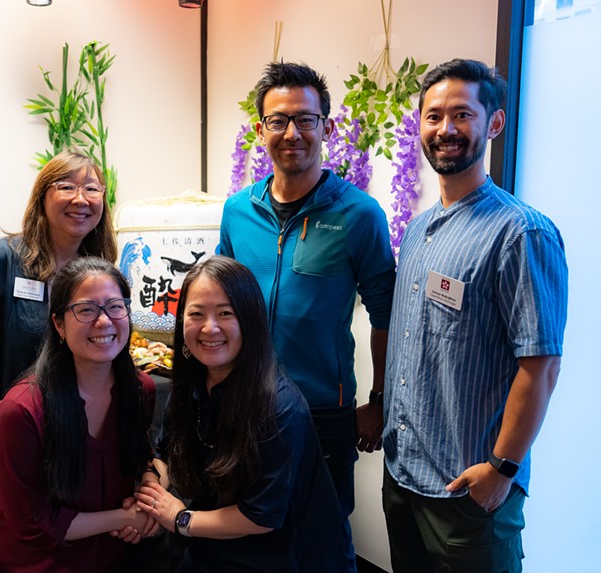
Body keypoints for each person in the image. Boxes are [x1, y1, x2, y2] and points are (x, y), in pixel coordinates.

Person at [381, 59, 568, 573]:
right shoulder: (417, 230)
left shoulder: (521, 233)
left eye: (462, 114)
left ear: (495, 123)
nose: (446, 129)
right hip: (404, 481)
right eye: (434, 115)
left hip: (468, 492)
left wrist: (501, 469)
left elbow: (542, 367)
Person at [217, 61, 396, 568]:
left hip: (323, 410)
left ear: (327, 127)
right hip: (244, 401)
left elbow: (386, 314)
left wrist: (377, 399)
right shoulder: (237, 210)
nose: (291, 133)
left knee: (323, 538)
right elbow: (222, 302)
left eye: (305, 119)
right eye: (278, 121)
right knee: (250, 530)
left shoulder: (359, 214)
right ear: (261, 130)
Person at [0, 149, 118, 572]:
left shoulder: (103, 272)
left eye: (92, 188)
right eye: (66, 186)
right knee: (6, 548)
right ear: (41, 197)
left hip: (73, 449)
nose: (80, 198)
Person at [136, 256, 348, 572]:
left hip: (277, 557)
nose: (209, 327)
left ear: (249, 320)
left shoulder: (279, 407)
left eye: (225, 313)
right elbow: (166, 455)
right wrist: (149, 500)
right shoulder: (192, 382)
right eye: (196, 313)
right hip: (211, 547)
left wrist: (179, 518)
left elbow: (259, 516)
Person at [0, 257, 156, 572]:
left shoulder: (140, 390)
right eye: (86, 310)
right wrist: (126, 518)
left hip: (106, 557)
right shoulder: (22, 411)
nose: (104, 322)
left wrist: (149, 499)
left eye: (115, 306)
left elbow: (140, 459)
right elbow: (33, 524)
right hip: (28, 563)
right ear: (59, 324)